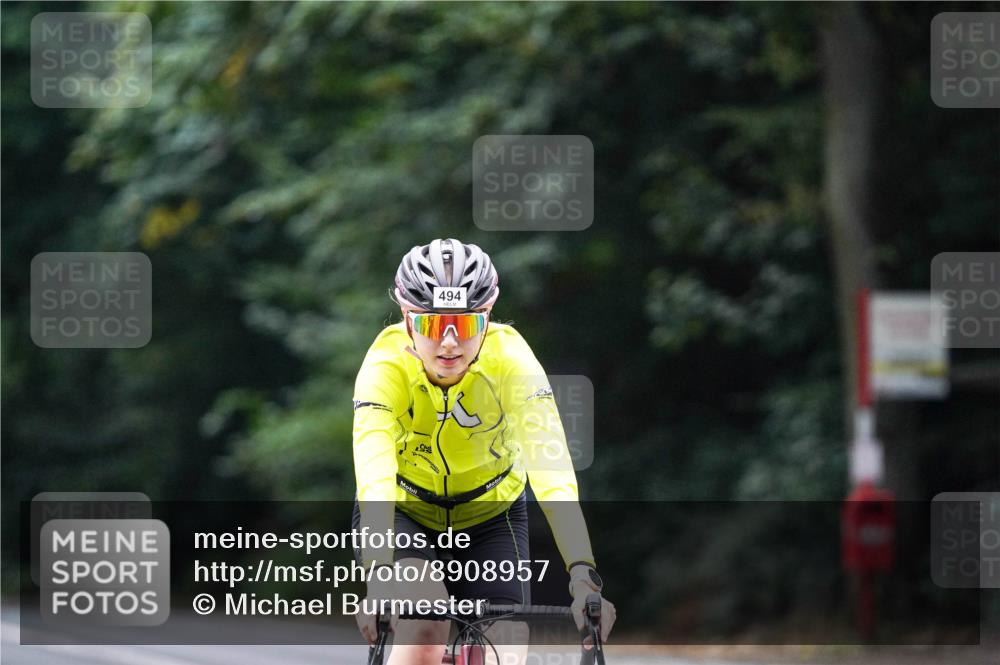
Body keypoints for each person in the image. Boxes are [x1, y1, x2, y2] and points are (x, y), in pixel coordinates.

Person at [352, 238, 615, 665]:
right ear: (407, 319)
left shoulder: (513, 362)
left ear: (488, 318)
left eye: (466, 325)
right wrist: (379, 575)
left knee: (505, 647)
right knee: (424, 625)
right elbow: (374, 475)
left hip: (492, 517)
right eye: (433, 326)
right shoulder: (383, 368)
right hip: (407, 512)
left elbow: (552, 473)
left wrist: (583, 575)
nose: (450, 344)